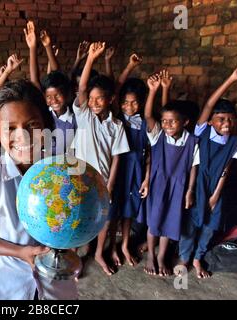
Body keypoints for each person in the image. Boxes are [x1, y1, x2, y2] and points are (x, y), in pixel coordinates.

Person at [0, 79, 78, 300]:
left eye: (32, 125)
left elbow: (71, 222)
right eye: (10, 128)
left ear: (46, 125)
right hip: (10, 284)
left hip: (55, 282)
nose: (22, 136)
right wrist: (22, 253)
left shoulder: (60, 172)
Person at [177, 65, 237, 278]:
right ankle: (184, 257)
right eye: (221, 119)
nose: (227, 123)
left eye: (230, 119)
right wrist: (231, 79)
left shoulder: (234, 142)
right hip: (197, 183)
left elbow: (226, 168)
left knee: (210, 225)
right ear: (210, 121)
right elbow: (209, 104)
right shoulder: (203, 132)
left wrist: (216, 195)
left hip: (217, 186)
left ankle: (198, 258)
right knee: (191, 223)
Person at [73, 42, 130, 275]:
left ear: (111, 99)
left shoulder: (116, 125)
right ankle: (75, 255)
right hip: (80, 178)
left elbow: (117, 157)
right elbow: (83, 87)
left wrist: (110, 184)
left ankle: (98, 253)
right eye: (92, 99)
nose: (95, 102)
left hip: (104, 181)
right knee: (79, 217)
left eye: (100, 99)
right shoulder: (84, 114)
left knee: (104, 220)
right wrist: (90, 58)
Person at [138, 73, 199, 277]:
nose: (167, 125)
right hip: (157, 184)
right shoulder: (158, 136)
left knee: (170, 222)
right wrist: (154, 90)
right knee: (154, 222)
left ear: (185, 122)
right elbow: (148, 116)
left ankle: (162, 256)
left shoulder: (192, 141)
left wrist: (190, 191)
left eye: (173, 122)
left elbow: (194, 167)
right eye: (164, 121)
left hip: (179, 186)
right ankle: (151, 257)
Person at [110, 77, 150, 266]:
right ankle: (112, 247)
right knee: (113, 212)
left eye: (134, 102)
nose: (129, 106)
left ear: (142, 103)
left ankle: (125, 245)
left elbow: (150, 154)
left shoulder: (145, 123)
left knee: (128, 211)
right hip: (117, 172)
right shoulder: (116, 120)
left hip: (136, 173)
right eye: (125, 102)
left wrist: (146, 179)